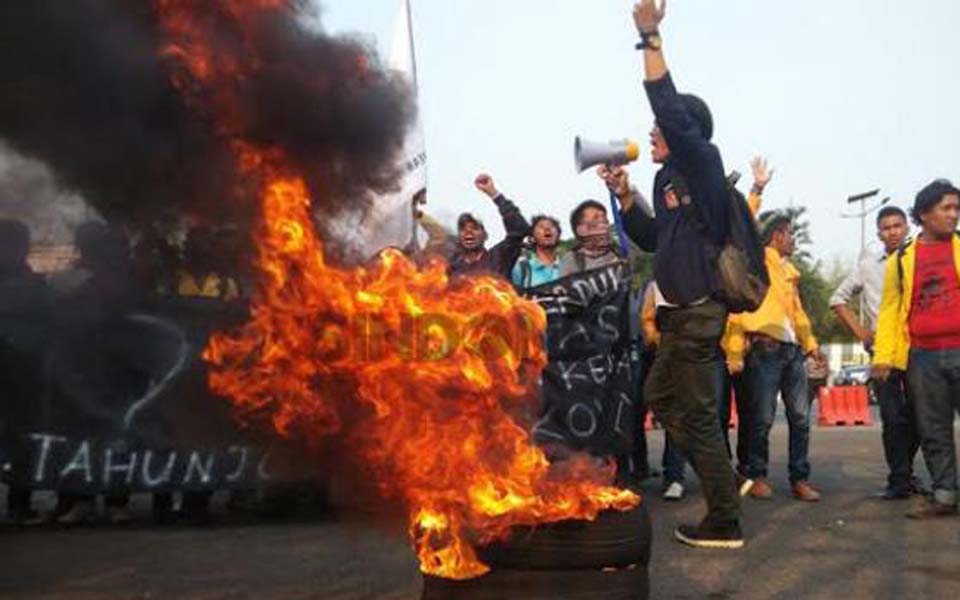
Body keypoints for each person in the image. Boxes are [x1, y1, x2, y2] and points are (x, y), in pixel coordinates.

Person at [616, 0, 744, 549]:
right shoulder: (671, 181)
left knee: (693, 414)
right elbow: (650, 240)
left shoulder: (702, 165)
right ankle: (720, 476)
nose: (650, 136)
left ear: (682, 133)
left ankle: (723, 518)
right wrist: (624, 196)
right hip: (675, 320)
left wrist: (650, 37)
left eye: (658, 131)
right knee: (661, 399)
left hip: (696, 316)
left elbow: (667, 106)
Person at [873, 179, 960, 519]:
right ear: (925, 214)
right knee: (932, 428)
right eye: (946, 208)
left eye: (956, 208)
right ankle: (944, 495)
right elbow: (891, 311)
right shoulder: (902, 259)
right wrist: (883, 357)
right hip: (921, 356)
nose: (954, 215)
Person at [727, 212, 827, 502]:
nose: (793, 239)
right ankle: (757, 475)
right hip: (764, 349)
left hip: (792, 352)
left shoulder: (790, 272)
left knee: (800, 417)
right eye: (789, 233)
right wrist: (735, 351)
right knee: (763, 418)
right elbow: (738, 312)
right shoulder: (758, 261)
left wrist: (811, 345)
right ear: (776, 236)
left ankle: (800, 479)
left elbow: (797, 313)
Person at [831, 206, 922, 500]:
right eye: (886, 227)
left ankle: (904, 473)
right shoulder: (868, 266)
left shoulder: (919, 258)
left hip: (919, 349)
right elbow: (838, 299)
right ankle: (899, 481)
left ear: (907, 227)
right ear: (878, 233)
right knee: (893, 418)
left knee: (921, 417)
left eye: (897, 226)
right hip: (882, 352)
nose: (893, 231)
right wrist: (862, 333)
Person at [0, 219, 50, 525]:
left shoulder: (33, 284)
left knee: (21, 437)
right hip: (17, 371)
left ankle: (20, 504)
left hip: (21, 374)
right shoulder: (29, 284)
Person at [449, 174, 530, 278]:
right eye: (462, 229)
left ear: (485, 235)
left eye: (475, 228)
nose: (468, 232)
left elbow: (519, 229)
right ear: (458, 237)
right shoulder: (452, 268)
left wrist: (493, 193)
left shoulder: (499, 257)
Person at [558, 200, 623, 277]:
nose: (603, 224)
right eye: (595, 218)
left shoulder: (620, 253)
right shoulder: (571, 260)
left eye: (605, 220)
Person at [511, 215, 562, 289]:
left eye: (552, 226)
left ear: (558, 235)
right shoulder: (521, 268)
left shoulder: (568, 267)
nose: (547, 229)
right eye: (541, 227)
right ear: (532, 237)